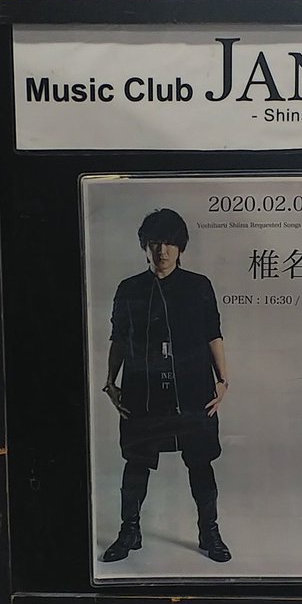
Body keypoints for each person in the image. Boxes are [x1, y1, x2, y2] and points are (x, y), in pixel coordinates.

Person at [102, 208, 231, 564]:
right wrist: (110, 382)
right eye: (156, 242)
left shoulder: (198, 286)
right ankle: (129, 531)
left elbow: (213, 334)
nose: (163, 250)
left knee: (201, 463)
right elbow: (118, 339)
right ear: (145, 245)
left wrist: (223, 380)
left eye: (170, 243)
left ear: (180, 247)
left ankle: (209, 532)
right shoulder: (129, 289)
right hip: (142, 391)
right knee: (136, 463)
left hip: (193, 390)